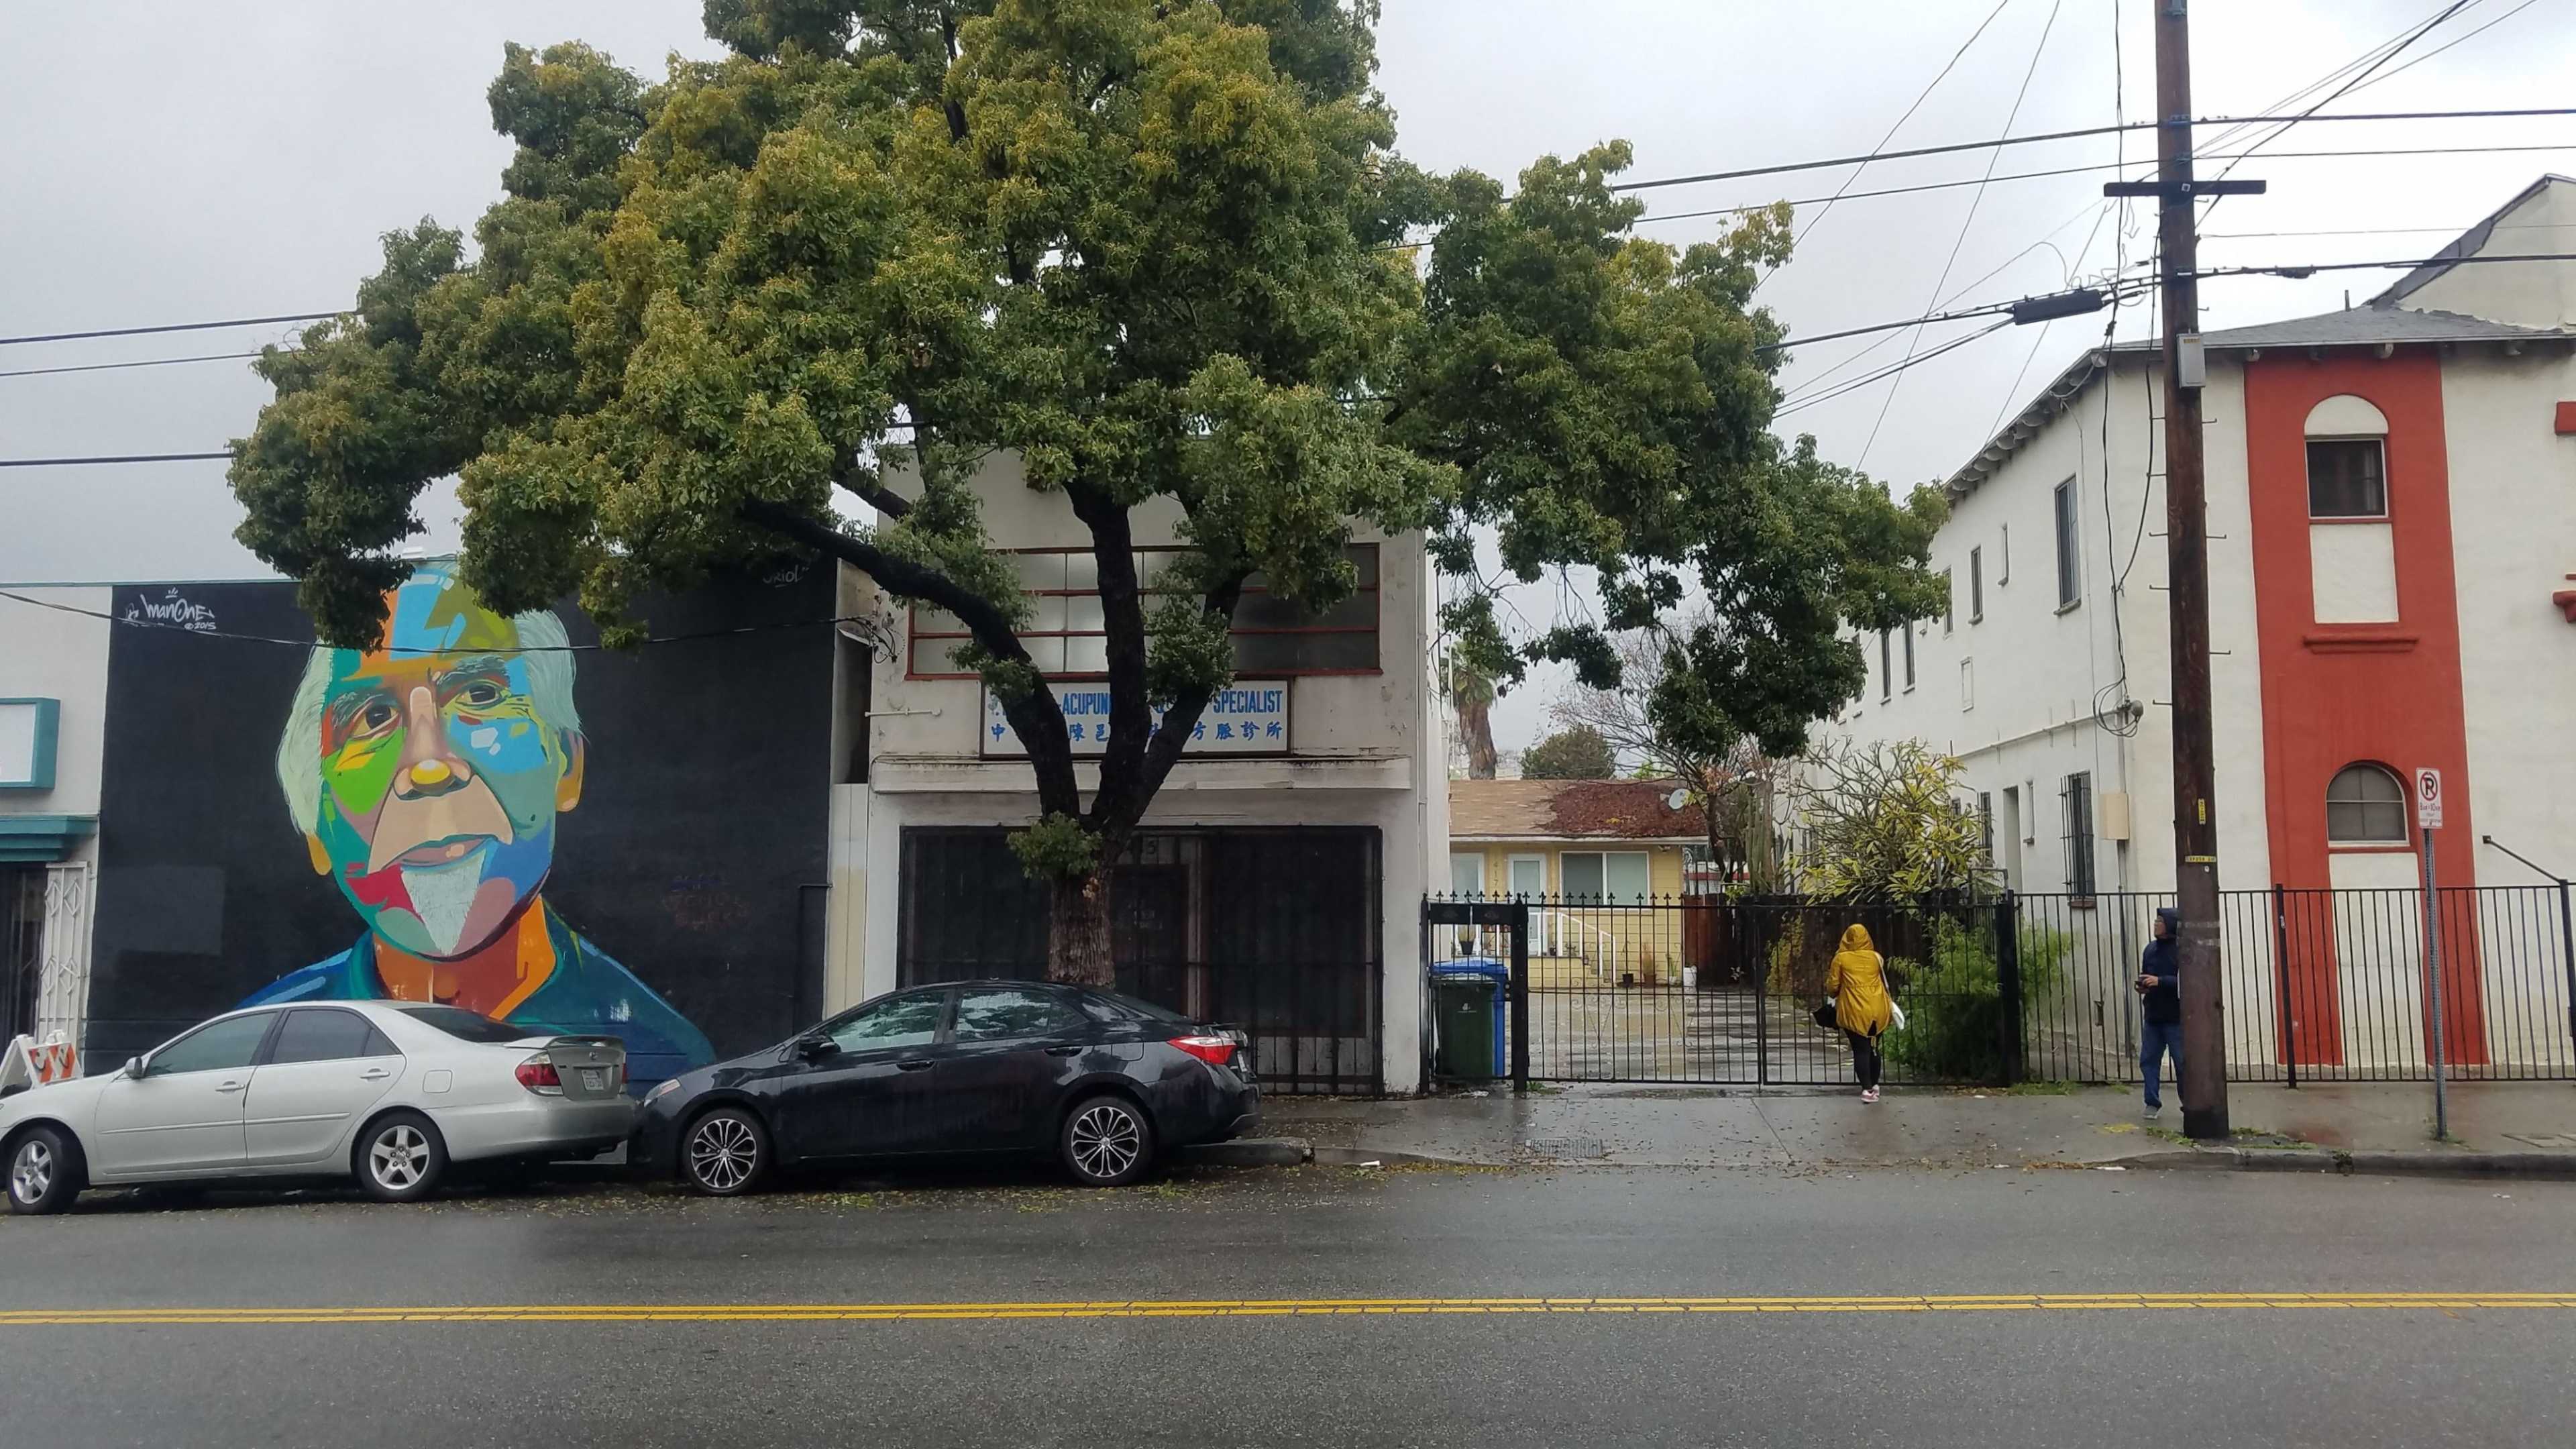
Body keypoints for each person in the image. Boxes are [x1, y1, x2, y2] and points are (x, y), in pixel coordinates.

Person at [241, 563, 714, 1085]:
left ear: (566, 767)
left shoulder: (667, 1058)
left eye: (481, 695)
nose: (428, 765)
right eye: (373, 718)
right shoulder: (252, 1052)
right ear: (314, 824)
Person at [1826, 923, 1894, 1104]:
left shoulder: (1841, 959)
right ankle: (1875, 1085)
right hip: (1878, 1008)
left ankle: (1867, 1089)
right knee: (1874, 1048)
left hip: (1854, 1009)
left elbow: (1833, 987)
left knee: (1861, 1049)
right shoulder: (1876, 957)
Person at [2136, 907, 2183, 1119]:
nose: (2156, 924)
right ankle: (2152, 1103)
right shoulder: (2150, 949)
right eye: (2155, 920)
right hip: (2153, 1015)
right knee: (2148, 1061)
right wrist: (2143, 986)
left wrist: (2160, 981)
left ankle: (2189, 1104)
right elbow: (2146, 975)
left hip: (2175, 1017)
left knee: (2182, 1063)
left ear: (2171, 924)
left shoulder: (2181, 950)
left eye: (2160, 921)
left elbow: (2186, 981)